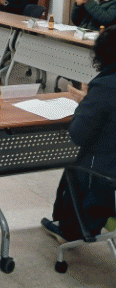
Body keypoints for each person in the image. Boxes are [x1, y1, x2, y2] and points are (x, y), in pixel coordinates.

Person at [42, 25, 116, 242]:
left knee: (75, 166)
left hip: (104, 171)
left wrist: (85, 105)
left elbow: (78, 134)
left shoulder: (105, 85)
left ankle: (71, 230)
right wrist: (91, 101)